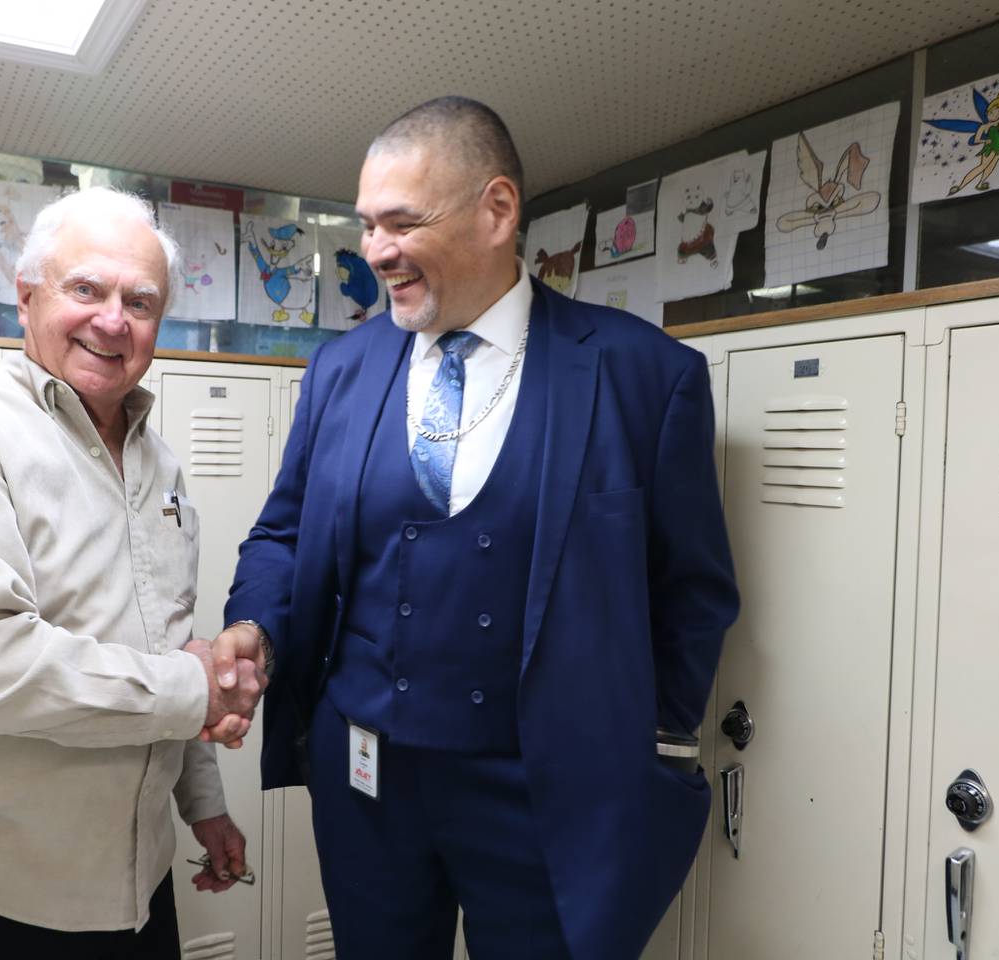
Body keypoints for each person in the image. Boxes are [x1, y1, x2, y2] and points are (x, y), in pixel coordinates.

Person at [213, 97, 739, 960]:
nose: (376, 250)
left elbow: (693, 593)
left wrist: (638, 746)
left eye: (400, 222)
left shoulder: (645, 377)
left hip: (548, 792)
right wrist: (252, 628)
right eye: (367, 225)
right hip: (367, 786)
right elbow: (284, 534)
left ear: (498, 210)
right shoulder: (341, 370)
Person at [0, 186, 266, 958]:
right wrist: (197, 689)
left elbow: (168, 641)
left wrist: (203, 805)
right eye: (86, 288)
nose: (112, 320)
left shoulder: (163, 467)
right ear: (27, 298)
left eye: (140, 301)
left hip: (136, 885)